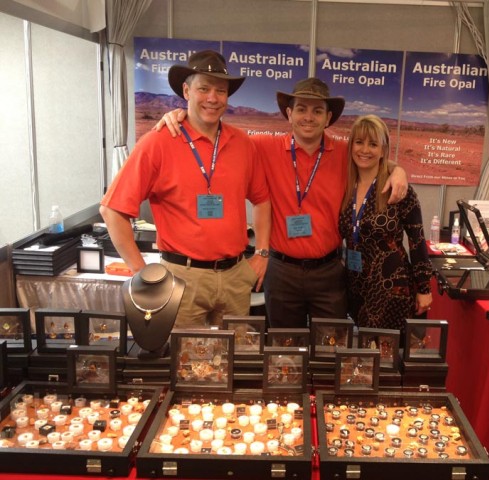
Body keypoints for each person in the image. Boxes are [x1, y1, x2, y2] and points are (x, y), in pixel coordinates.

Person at [155, 77, 407, 328]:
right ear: (289, 113)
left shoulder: (344, 152)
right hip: (281, 271)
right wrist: (183, 116)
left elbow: (372, 159)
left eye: (317, 110)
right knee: (284, 352)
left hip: (329, 272)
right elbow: (215, 134)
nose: (308, 117)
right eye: (301, 109)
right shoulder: (263, 147)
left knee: (331, 346)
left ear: (328, 117)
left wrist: (397, 171)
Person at [100, 50, 271, 328]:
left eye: (221, 90)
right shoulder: (158, 142)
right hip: (182, 278)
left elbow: (262, 200)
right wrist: (140, 272)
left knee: (237, 360)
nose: (212, 98)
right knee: (188, 364)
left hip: (235, 277)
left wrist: (262, 254)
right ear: (186, 91)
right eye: (203, 88)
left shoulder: (242, 143)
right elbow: (112, 210)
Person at [338, 115, 432, 334]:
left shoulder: (398, 190)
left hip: (391, 289)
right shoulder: (344, 186)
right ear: (351, 145)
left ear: (383, 149)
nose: (365, 150)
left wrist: (424, 288)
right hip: (354, 285)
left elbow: (417, 242)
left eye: (373, 144)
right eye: (359, 142)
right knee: (361, 357)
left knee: (386, 358)